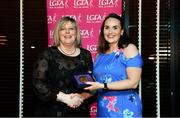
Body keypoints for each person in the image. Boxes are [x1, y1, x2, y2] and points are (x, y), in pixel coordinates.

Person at [32, 16, 94, 117]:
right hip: (51, 112)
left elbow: (90, 86)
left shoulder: (85, 55)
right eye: (63, 29)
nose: (67, 32)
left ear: (76, 32)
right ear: (58, 33)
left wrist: (81, 97)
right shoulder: (48, 54)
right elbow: (38, 84)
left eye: (71, 29)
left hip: (78, 112)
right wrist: (64, 98)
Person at [84, 13, 143, 117]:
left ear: (121, 31)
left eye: (115, 28)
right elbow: (95, 84)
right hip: (103, 107)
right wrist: (80, 96)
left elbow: (133, 82)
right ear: (103, 31)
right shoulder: (99, 55)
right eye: (107, 28)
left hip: (125, 106)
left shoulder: (129, 49)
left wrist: (104, 85)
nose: (110, 32)